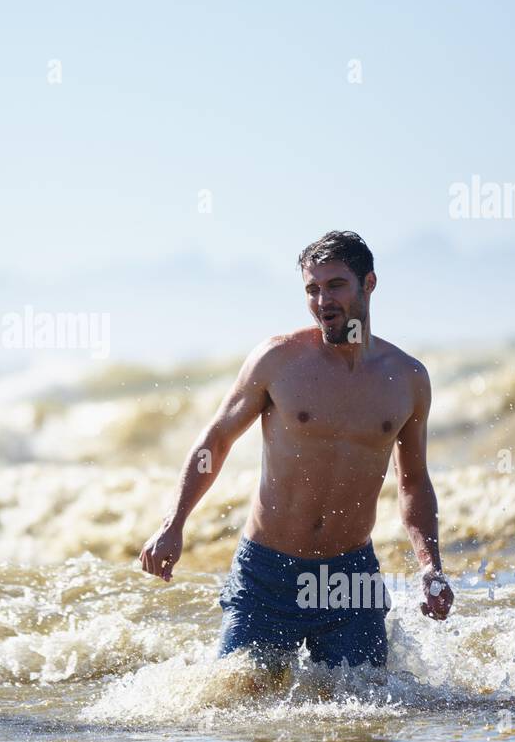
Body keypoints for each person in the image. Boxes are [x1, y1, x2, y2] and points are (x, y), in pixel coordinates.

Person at [139, 230, 453, 671]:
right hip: (268, 572)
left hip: (349, 579)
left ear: (369, 283)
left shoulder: (407, 379)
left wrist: (430, 567)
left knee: (366, 720)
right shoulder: (279, 360)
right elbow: (216, 440)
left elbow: (414, 481)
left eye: (335, 285)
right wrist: (173, 525)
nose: (323, 300)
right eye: (312, 289)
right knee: (235, 704)